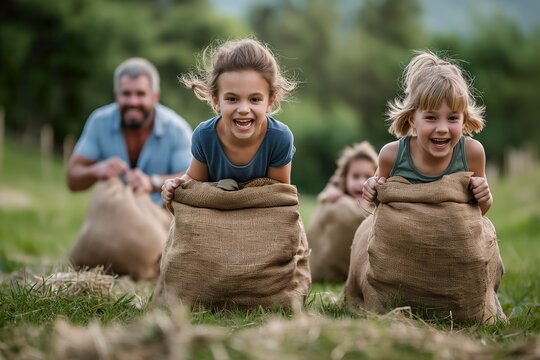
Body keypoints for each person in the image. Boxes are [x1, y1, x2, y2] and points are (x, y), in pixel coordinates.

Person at [161, 38, 297, 203]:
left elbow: (279, 196)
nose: (243, 109)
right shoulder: (205, 136)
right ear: (216, 101)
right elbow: (194, 180)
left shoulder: (279, 138)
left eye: (254, 99)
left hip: (260, 218)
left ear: (270, 101)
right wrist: (177, 184)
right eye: (232, 99)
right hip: (214, 216)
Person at [362, 51, 492, 215]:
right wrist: (372, 189)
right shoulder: (392, 156)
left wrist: (485, 197)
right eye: (431, 117)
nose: (442, 128)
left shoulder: (471, 153)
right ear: (412, 120)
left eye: (452, 118)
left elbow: (480, 211)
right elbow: (380, 204)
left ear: (464, 121)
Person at [67, 57, 193, 204]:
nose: (133, 102)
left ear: (155, 97)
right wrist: (96, 170)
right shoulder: (99, 122)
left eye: (140, 94)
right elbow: (72, 180)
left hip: (161, 218)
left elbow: (192, 181)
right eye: (126, 94)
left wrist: (153, 182)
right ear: (116, 96)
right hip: (113, 212)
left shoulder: (176, 129)